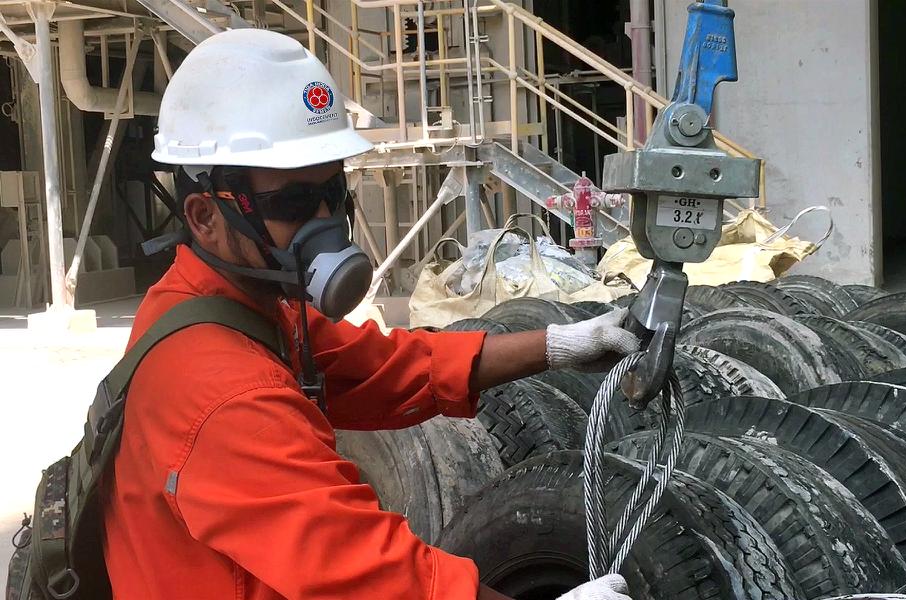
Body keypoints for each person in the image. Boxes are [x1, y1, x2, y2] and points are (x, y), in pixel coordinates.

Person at [101, 28, 638, 600]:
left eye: (333, 192)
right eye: (292, 202)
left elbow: (385, 366)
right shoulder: (223, 393)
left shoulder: (234, 309)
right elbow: (370, 573)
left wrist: (558, 344)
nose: (325, 222)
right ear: (204, 216)